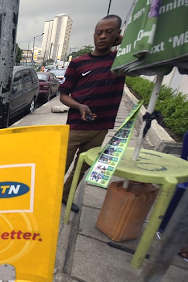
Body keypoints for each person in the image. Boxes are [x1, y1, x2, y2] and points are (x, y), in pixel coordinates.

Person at [59, 14, 125, 212]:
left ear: (118, 36)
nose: (103, 36)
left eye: (109, 32)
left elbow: (141, 52)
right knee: (60, 165)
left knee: (82, 166)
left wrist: (124, 43)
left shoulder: (120, 61)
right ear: (93, 35)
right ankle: (47, 196)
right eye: (99, 32)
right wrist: (79, 106)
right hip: (76, 126)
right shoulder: (78, 63)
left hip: (101, 127)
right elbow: (63, 95)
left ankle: (65, 195)